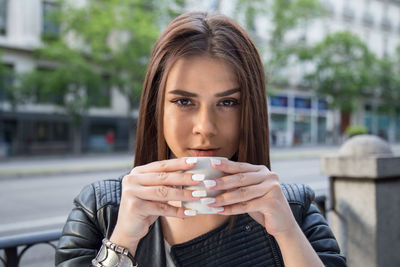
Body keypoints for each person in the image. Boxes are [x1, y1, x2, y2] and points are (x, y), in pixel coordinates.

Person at [55, 12, 346, 267]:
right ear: (156, 108)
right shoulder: (101, 210)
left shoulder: (295, 209)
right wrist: (123, 240)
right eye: (183, 101)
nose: (205, 127)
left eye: (228, 103)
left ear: (252, 110)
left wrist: (286, 233)